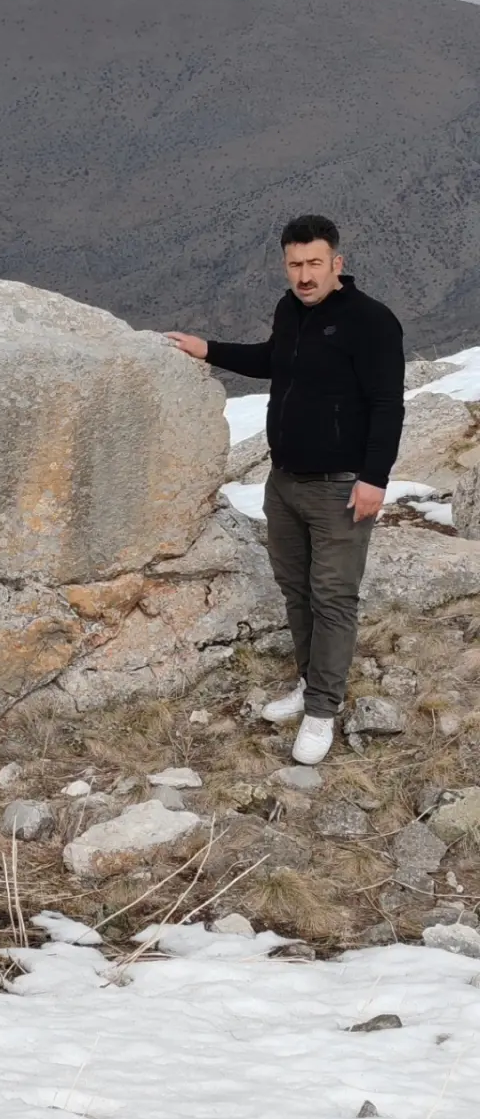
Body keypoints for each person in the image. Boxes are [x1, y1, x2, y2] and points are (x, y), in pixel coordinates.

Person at [166, 215, 405, 765]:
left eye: (314, 263)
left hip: (341, 487)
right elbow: (273, 360)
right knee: (296, 592)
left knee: (334, 597)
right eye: (295, 264)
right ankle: (307, 683)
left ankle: (323, 709)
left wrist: (375, 479)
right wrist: (208, 348)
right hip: (286, 482)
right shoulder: (290, 311)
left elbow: (388, 405)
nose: (304, 275)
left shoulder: (371, 322)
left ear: (336, 264)